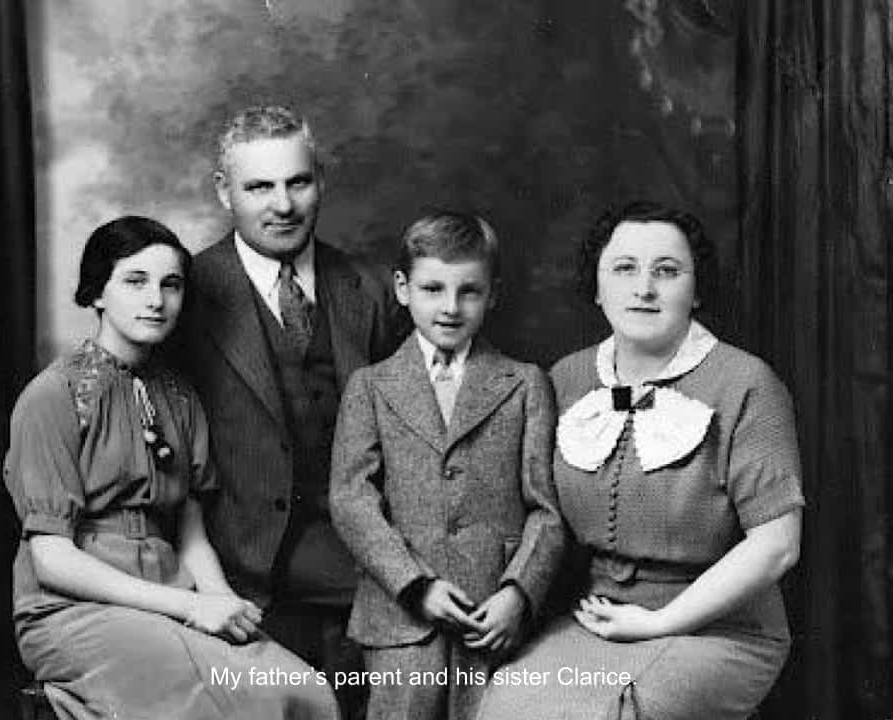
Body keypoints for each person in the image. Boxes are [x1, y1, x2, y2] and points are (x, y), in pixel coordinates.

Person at [477, 201, 805, 720]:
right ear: (597, 286)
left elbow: (777, 547)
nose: (644, 288)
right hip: (598, 619)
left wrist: (660, 622)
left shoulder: (747, 385)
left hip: (720, 630)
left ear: (696, 291)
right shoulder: (568, 378)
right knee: (504, 705)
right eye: (624, 269)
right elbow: (537, 515)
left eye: (667, 271)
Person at [5, 216, 340, 720]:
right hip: (74, 611)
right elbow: (52, 558)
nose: (156, 299)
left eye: (171, 284)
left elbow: (190, 534)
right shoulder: (53, 396)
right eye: (135, 281)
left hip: (169, 592)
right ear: (97, 293)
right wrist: (189, 608)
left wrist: (223, 603)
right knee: (242, 702)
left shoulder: (180, 397)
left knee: (306, 690)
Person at [175, 104, 402, 715]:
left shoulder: (372, 289)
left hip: (366, 562)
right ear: (224, 193)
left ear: (319, 182)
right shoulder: (188, 296)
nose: (282, 204)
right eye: (259, 187)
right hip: (250, 569)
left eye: (297, 182)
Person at [330, 212, 566, 720]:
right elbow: (351, 500)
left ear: (493, 294)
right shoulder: (370, 387)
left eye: (469, 291)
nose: (451, 307)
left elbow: (547, 509)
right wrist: (415, 585)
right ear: (402, 288)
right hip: (400, 619)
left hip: (492, 615)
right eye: (433, 288)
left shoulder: (525, 384)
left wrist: (517, 595)